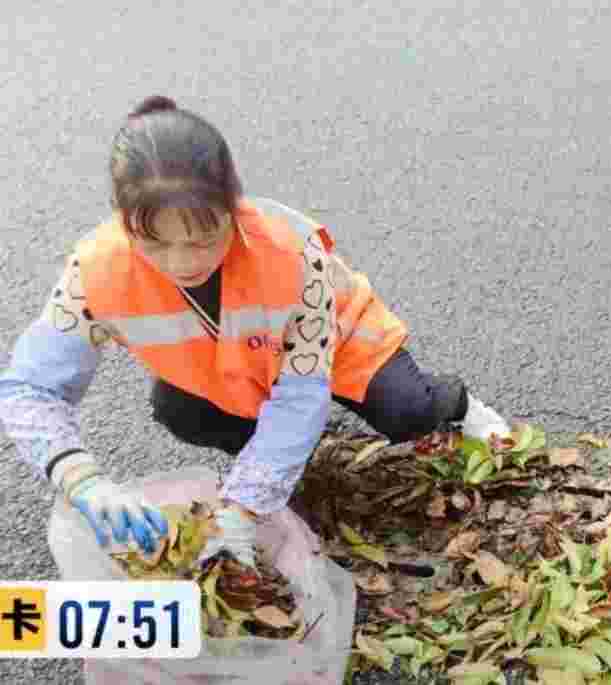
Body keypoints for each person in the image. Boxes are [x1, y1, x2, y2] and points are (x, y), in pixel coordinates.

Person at [0, 95, 511, 569]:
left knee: (410, 412)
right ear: (123, 221)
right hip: (235, 367)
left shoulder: (290, 254)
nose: (183, 263)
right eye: (154, 243)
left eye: (204, 239)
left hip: (339, 340)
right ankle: (286, 462)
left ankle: (458, 405)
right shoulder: (93, 274)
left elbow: (301, 394)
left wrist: (244, 505)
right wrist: (80, 479)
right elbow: (30, 388)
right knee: (179, 410)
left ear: (233, 206)